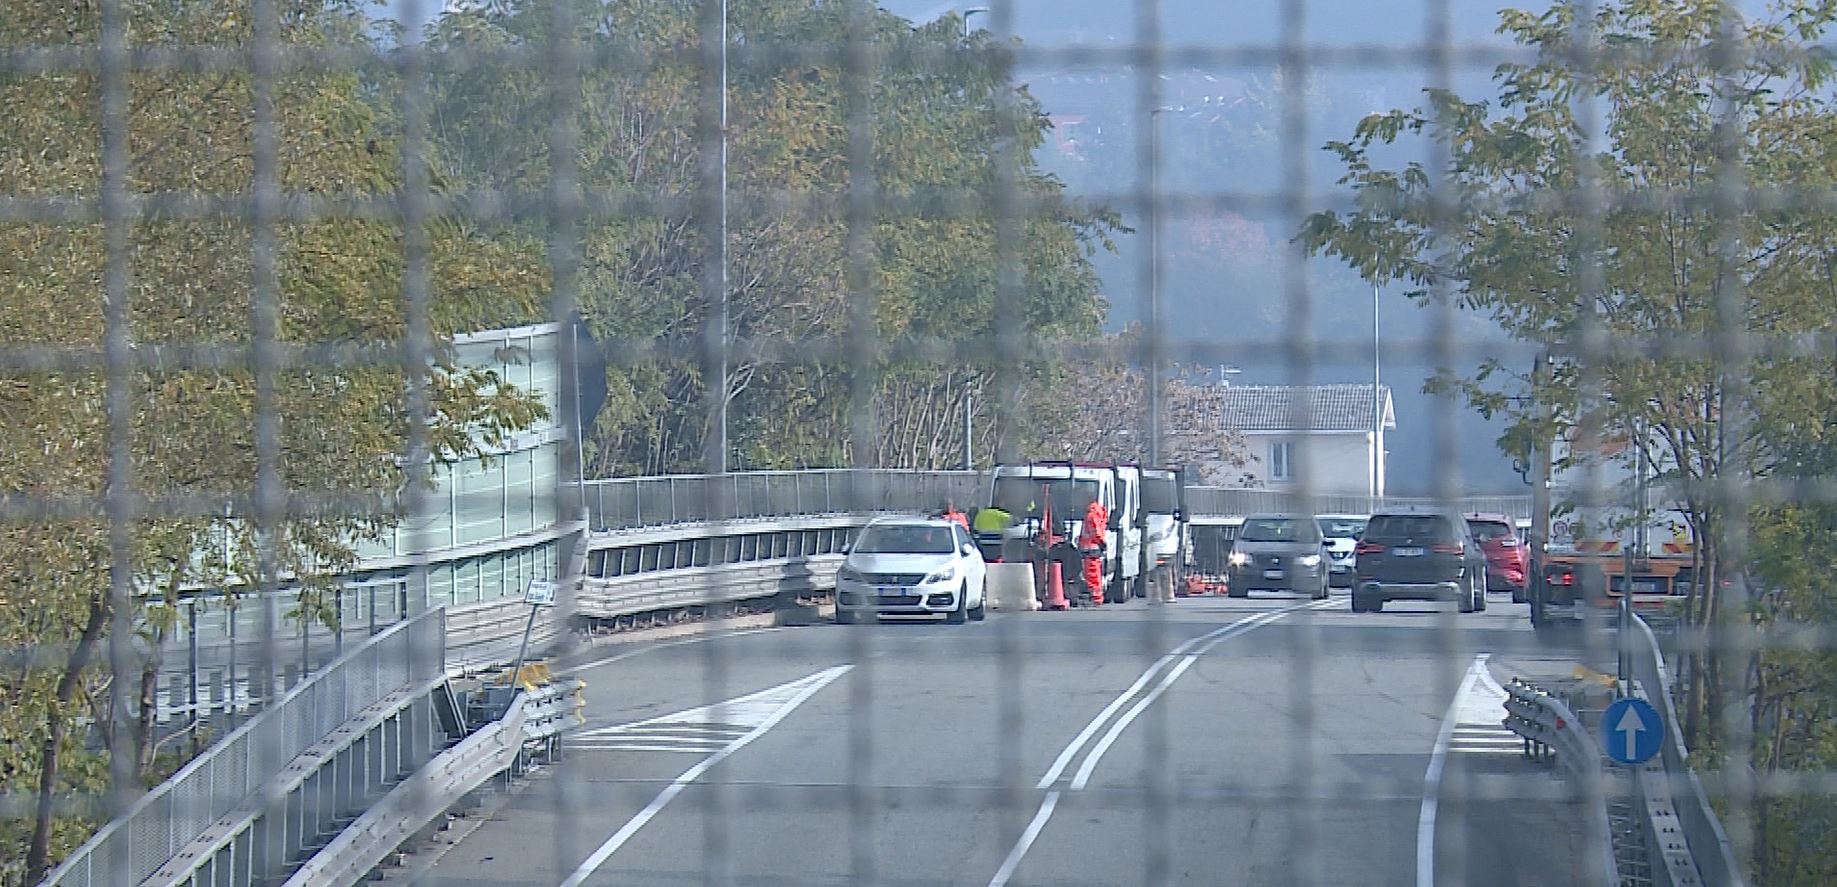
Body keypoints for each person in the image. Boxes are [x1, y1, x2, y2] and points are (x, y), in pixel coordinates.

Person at [1078, 498, 1109, 603]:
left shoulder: (1091, 516)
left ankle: (1096, 597)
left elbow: (1094, 532)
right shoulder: (1098, 513)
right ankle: (1096, 596)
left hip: (1090, 547)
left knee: (1092, 573)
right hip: (1094, 547)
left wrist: (1100, 541)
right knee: (1095, 573)